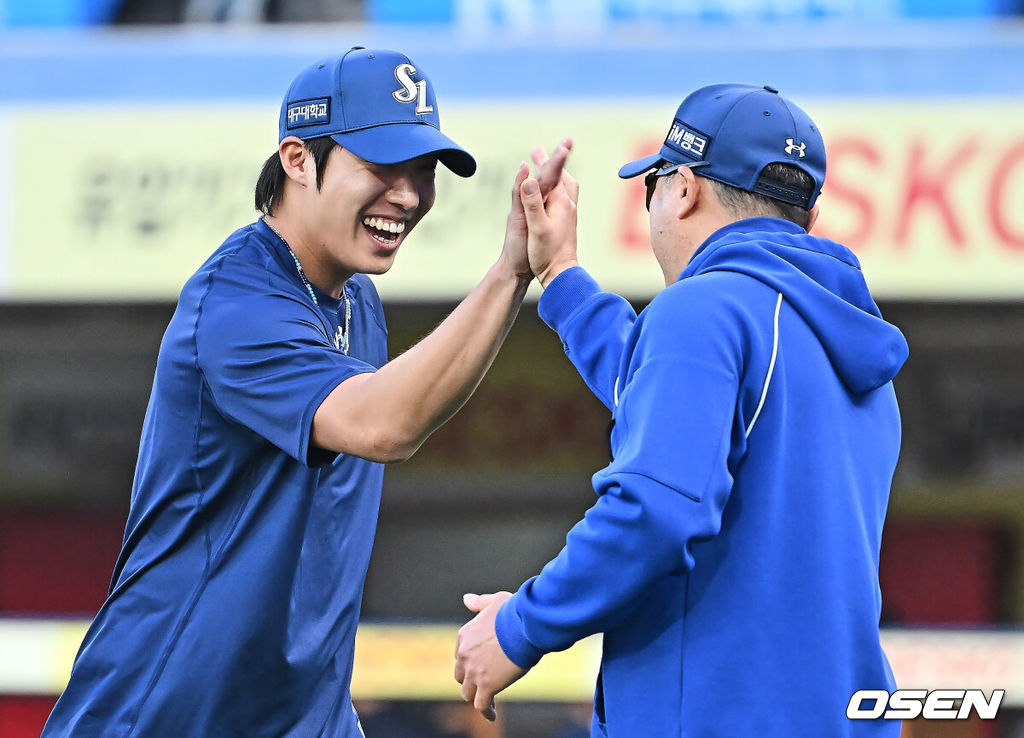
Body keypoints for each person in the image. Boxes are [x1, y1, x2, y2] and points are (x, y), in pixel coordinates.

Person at [42, 46, 568, 737]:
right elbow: (385, 424)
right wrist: (510, 272)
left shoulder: (360, 305)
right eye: (382, 166)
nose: (408, 194)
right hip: (164, 714)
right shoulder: (236, 298)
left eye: (422, 170)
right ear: (296, 159)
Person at [455, 84, 908, 736]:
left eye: (654, 186)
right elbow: (657, 393)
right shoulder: (850, 344)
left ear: (687, 188)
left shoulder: (705, 309)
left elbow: (656, 511)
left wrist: (522, 625)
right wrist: (560, 274)